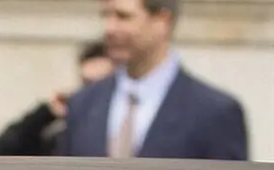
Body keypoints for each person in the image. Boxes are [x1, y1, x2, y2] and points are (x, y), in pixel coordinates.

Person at [57, 0, 248, 160]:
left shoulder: (214, 113)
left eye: (123, 17)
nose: (109, 28)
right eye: (106, 16)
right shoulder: (83, 104)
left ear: (162, 21)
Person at [0, 40, 114, 156]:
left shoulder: (122, 136)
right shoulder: (65, 138)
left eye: (100, 85)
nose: (92, 92)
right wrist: (45, 113)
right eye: (86, 83)